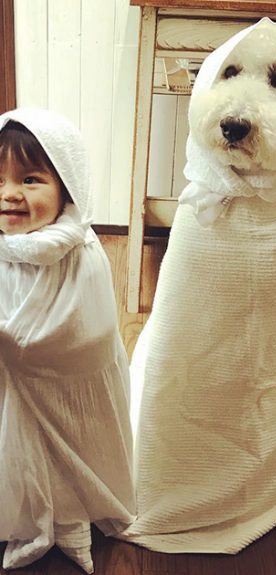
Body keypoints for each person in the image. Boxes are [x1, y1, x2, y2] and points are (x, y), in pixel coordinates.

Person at [0, 109, 134, 573]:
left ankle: (70, 504)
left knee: (71, 459)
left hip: (70, 401)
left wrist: (16, 344)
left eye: (30, 179)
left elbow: (88, 337)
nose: (9, 194)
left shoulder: (80, 252)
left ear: (67, 187)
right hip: (9, 403)